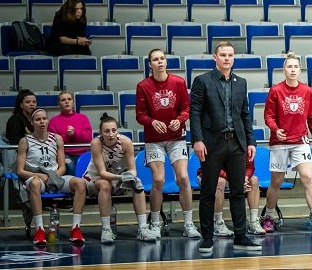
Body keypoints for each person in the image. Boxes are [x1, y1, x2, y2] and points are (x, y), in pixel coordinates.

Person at [190, 42, 261, 254]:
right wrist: (197, 140)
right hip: (212, 144)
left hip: (237, 143)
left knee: (238, 191)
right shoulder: (202, 80)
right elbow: (195, 112)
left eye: (230, 55)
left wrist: (251, 141)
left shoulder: (241, 82)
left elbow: (245, 114)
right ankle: (207, 238)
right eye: (223, 55)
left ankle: (241, 236)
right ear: (215, 57)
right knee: (208, 191)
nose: (227, 58)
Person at [262, 53, 312, 234]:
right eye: (289, 67)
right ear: (284, 70)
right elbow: (268, 116)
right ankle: (268, 217)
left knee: (307, 177)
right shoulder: (275, 90)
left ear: (299, 70)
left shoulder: (307, 91)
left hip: (300, 141)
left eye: (295, 67)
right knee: (276, 181)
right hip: (279, 142)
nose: (292, 70)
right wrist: (276, 129)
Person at [136, 48, 197, 239]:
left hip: (177, 138)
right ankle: (155, 223)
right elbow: (140, 115)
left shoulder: (178, 82)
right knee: (158, 180)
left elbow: (186, 108)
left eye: (162, 58)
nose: (160, 61)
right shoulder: (143, 86)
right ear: (150, 64)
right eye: (155, 59)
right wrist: (152, 121)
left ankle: (188, 223)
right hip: (154, 140)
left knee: (183, 178)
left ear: (166, 62)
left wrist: (180, 120)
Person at [17, 107, 88, 247]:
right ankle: (39, 229)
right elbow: (20, 171)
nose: (42, 122)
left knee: (80, 183)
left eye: (44, 118)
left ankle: (76, 228)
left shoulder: (57, 138)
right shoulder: (25, 141)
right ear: (32, 122)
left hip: (55, 176)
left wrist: (52, 177)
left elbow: (62, 167)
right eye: (38, 119)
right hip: (37, 177)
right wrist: (40, 176)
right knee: (35, 183)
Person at [84, 115, 157, 244]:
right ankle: (106, 230)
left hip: (118, 177)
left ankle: (143, 228)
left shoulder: (126, 142)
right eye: (107, 131)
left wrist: (130, 176)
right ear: (101, 133)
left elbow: (133, 169)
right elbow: (102, 172)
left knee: (138, 184)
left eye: (114, 130)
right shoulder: (96, 143)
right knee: (105, 185)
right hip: (95, 177)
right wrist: (122, 177)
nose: (111, 134)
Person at [202, 149, 263, 240]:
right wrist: (237, 181)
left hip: (235, 176)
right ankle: (218, 223)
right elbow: (214, 167)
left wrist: (245, 179)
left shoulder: (245, 145)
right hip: (212, 174)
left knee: (254, 180)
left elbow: (250, 167)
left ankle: (253, 222)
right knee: (220, 182)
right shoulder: (219, 145)